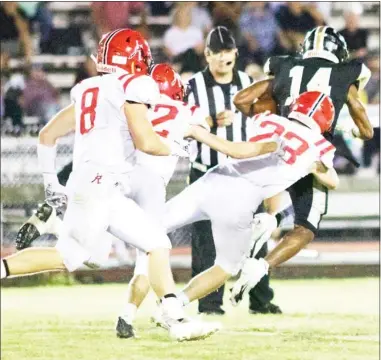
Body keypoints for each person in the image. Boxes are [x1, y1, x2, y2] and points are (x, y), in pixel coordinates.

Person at [1, 28, 222, 342]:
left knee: (153, 243)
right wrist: (175, 147)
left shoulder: (89, 88)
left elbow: (47, 135)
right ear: (133, 59)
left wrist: (52, 182)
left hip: (90, 183)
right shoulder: (134, 84)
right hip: (103, 185)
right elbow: (145, 141)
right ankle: (175, 318)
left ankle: (176, 319)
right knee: (78, 254)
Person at [151, 91, 339, 323]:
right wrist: (312, 166)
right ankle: (174, 304)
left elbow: (242, 149)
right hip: (239, 203)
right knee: (227, 267)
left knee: (151, 231)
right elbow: (333, 181)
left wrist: (199, 133)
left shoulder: (267, 118)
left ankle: (137, 307)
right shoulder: (320, 148)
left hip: (215, 180)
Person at [231, 26, 374, 304]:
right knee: (306, 226)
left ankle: (270, 220)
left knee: (282, 196)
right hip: (312, 149)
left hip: (279, 143)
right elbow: (360, 116)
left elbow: (242, 100)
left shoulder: (286, 65)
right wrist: (361, 133)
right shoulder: (345, 73)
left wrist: (277, 116)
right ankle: (259, 266)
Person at [185, 25, 281, 315]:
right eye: (218, 53)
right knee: (205, 241)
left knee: (255, 235)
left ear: (236, 53)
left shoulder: (246, 81)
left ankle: (260, 299)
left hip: (243, 172)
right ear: (207, 55)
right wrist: (211, 123)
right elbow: (182, 127)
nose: (224, 58)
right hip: (206, 169)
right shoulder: (193, 86)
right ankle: (209, 303)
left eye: (228, 52)